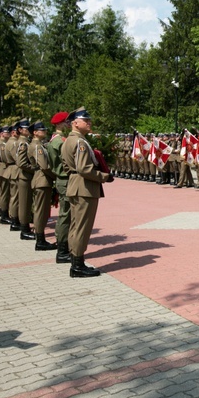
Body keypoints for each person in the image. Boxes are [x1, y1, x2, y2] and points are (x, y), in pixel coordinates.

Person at [61, 107, 114, 277]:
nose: (89, 122)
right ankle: (77, 265)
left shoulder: (68, 141)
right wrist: (104, 176)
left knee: (76, 225)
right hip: (84, 187)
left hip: (75, 185)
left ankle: (75, 259)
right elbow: (85, 169)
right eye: (86, 120)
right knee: (82, 227)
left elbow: (66, 166)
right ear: (75, 123)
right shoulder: (80, 142)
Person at [28, 121, 56, 250]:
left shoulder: (39, 145)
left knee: (43, 211)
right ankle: (40, 240)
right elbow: (44, 165)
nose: (44, 131)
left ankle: (41, 238)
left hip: (42, 180)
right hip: (42, 180)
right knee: (40, 211)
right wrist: (55, 175)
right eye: (41, 130)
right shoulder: (37, 146)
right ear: (35, 132)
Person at [47, 112, 72, 263]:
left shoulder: (56, 140)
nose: (68, 124)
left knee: (65, 214)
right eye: (66, 122)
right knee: (66, 215)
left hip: (62, 179)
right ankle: (62, 250)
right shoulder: (60, 142)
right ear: (59, 124)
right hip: (65, 179)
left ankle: (62, 245)